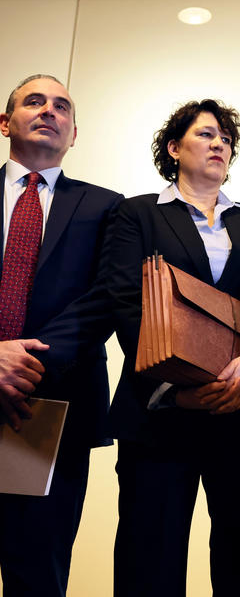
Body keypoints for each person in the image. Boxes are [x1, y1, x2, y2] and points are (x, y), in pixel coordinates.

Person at [101, 99, 240, 597]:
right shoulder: (139, 213)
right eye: (205, 135)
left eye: (226, 139)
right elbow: (126, 300)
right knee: (151, 557)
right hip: (160, 413)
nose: (219, 144)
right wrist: (177, 386)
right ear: (173, 148)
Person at [0, 74, 121, 597]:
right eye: (34, 101)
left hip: (51, 408)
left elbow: (107, 298)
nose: (49, 111)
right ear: (5, 123)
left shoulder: (106, 206)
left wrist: (24, 362)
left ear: (74, 134)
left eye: (62, 107)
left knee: (38, 573)